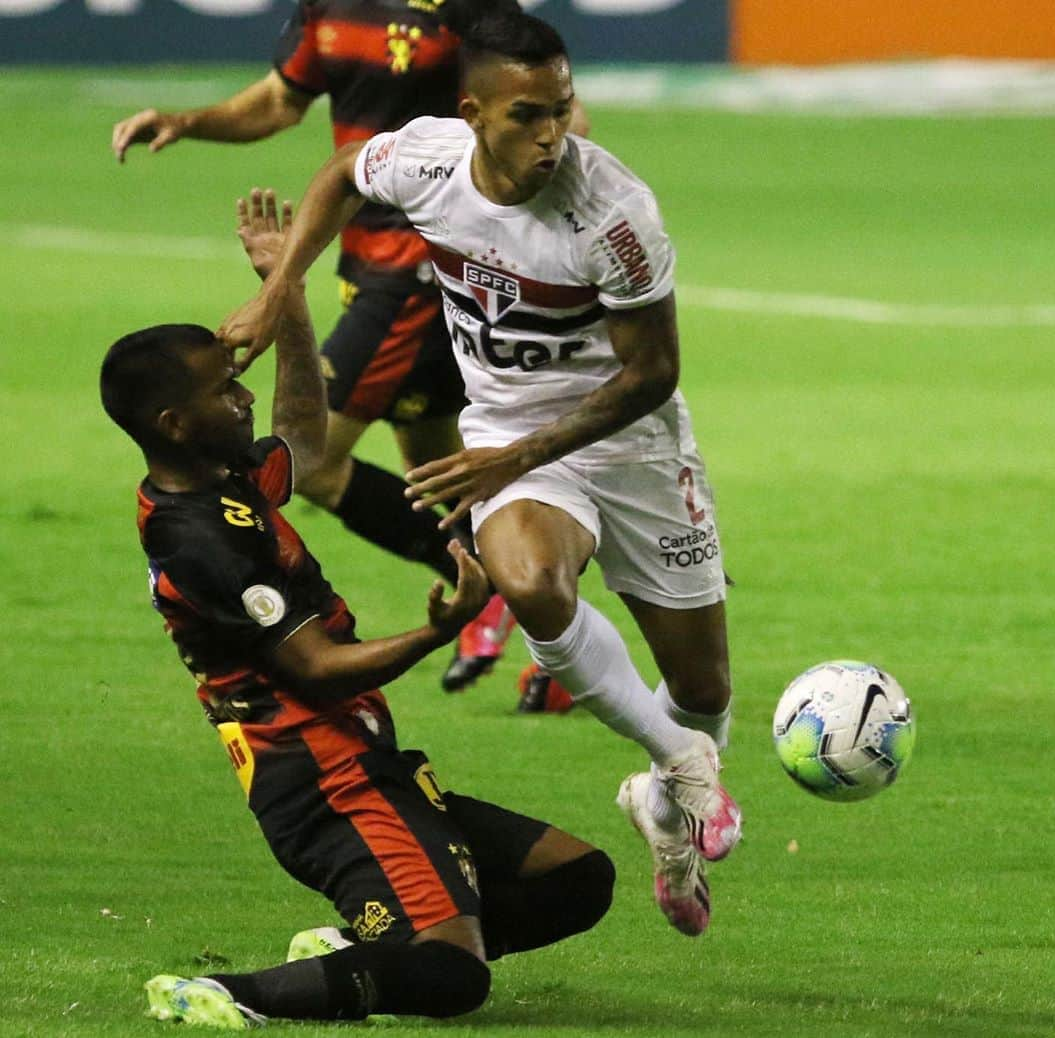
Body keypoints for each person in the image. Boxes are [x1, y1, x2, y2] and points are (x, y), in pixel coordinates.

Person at [218, 12, 741, 938]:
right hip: (506, 430)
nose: (553, 135)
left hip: (634, 446)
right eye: (529, 115)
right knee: (531, 580)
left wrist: (522, 454)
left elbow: (652, 373)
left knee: (703, 685)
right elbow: (342, 173)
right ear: (473, 113)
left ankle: (663, 802)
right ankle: (681, 762)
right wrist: (278, 288)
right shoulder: (426, 162)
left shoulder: (615, 213)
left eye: (564, 109)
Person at [100, 190, 614, 1028]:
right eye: (225, 391)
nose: (243, 398)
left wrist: (288, 293)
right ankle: (232, 995)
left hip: (364, 760)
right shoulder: (204, 544)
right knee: (455, 979)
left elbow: (304, 434)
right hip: (325, 783)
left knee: (577, 880)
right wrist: (440, 628)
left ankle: (366, 953)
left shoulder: (220, 484)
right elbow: (316, 669)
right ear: (173, 423)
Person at [109, 0, 567, 691]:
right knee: (442, 466)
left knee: (317, 465)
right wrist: (187, 122)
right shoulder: (328, 6)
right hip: (366, 258)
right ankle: (553, 637)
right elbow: (279, 102)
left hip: (417, 266)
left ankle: (498, 595)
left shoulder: (468, 11)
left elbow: (540, 106)